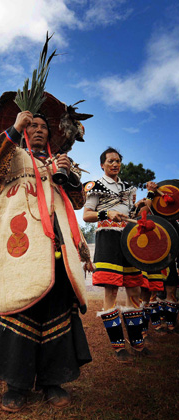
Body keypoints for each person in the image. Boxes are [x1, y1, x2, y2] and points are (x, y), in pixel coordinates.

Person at [0, 111, 92, 412]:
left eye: (43, 126)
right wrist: (15, 127)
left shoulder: (61, 161)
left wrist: (70, 174)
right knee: (19, 303)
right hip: (20, 244)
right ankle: (15, 383)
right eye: (32, 125)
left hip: (56, 246)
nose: (38, 130)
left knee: (56, 308)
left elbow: (78, 202)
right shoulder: (11, 154)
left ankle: (53, 381)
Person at [83, 147, 157, 363]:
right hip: (107, 241)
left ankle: (138, 344)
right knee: (112, 291)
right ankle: (118, 348)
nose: (114, 164)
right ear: (102, 165)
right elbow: (87, 215)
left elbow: (131, 215)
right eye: (110, 161)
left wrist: (144, 203)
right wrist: (107, 213)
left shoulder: (128, 188)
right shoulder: (96, 186)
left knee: (134, 289)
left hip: (129, 242)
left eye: (117, 161)